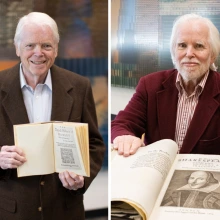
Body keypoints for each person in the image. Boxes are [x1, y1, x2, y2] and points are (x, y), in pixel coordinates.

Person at [0, 12, 105, 220]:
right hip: (13, 211)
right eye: (30, 45)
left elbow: (94, 143)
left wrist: (82, 176)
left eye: (46, 46)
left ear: (56, 49)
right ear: (17, 47)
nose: (38, 53)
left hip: (65, 209)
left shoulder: (79, 86)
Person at [111, 13, 220, 156]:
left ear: (212, 55)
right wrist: (124, 137)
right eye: (182, 45)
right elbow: (122, 124)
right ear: (173, 52)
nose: (189, 53)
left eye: (199, 46)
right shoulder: (150, 85)